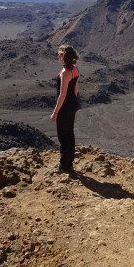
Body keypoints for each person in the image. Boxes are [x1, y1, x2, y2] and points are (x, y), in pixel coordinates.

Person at [50, 44, 80, 173]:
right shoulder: (74, 69)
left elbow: (62, 94)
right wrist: (75, 101)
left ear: (65, 56)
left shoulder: (65, 73)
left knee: (62, 136)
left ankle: (64, 165)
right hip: (72, 104)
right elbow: (76, 89)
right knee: (70, 133)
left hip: (65, 107)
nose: (58, 56)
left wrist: (55, 112)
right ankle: (69, 163)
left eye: (60, 54)